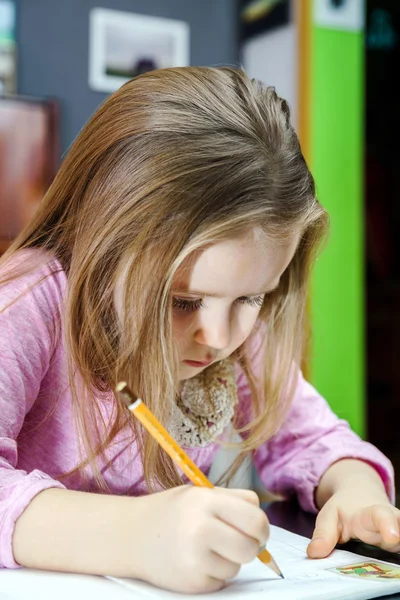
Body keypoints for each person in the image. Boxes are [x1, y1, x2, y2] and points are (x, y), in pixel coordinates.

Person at [0, 67, 398, 595]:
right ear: (104, 242)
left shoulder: (233, 328)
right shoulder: (31, 300)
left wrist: (356, 490)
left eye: (253, 297)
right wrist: (137, 537)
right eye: (182, 300)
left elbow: (313, 437)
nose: (217, 336)